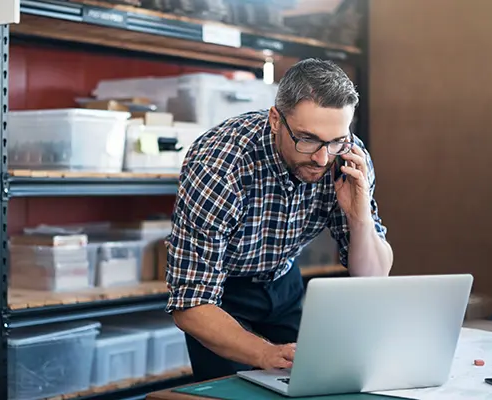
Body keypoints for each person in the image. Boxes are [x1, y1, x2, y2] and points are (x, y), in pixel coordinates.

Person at [164, 58, 394, 382]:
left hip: (284, 282)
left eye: (335, 140)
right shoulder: (220, 167)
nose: (322, 158)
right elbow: (190, 304)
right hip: (221, 296)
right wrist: (264, 354)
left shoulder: (347, 157)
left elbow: (372, 276)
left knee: (317, 383)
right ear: (275, 119)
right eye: (308, 139)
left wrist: (360, 219)